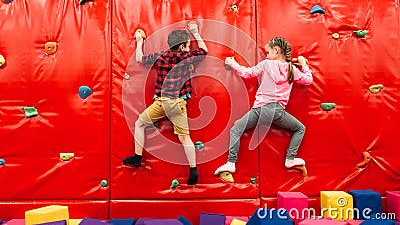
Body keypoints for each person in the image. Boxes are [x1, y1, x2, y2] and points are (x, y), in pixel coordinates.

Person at [123, 22, 207, 185]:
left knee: (139, 124)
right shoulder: (186, 57)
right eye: (188, 45)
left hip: (162, 103)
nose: (190, 48)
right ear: (182, 47)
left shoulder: (161, 56)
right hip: (179, 104)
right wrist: (196, 32)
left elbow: (140, 58)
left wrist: (140, 41)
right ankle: (193, 170)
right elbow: (204, 51)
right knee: (185, 138)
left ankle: (137, 157)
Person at [214, 36, 313, 175]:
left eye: (268, 52)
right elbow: (308, 80)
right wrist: (303, 64)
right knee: (300, 129)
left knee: (235, 130)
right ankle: (290, 158)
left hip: (260, 110)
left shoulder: (267, 64)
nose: (267, 55)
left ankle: (231, 163)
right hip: (277, 112)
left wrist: (232, 63)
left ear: (276, 50)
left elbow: (247, 73)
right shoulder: (292, 69)